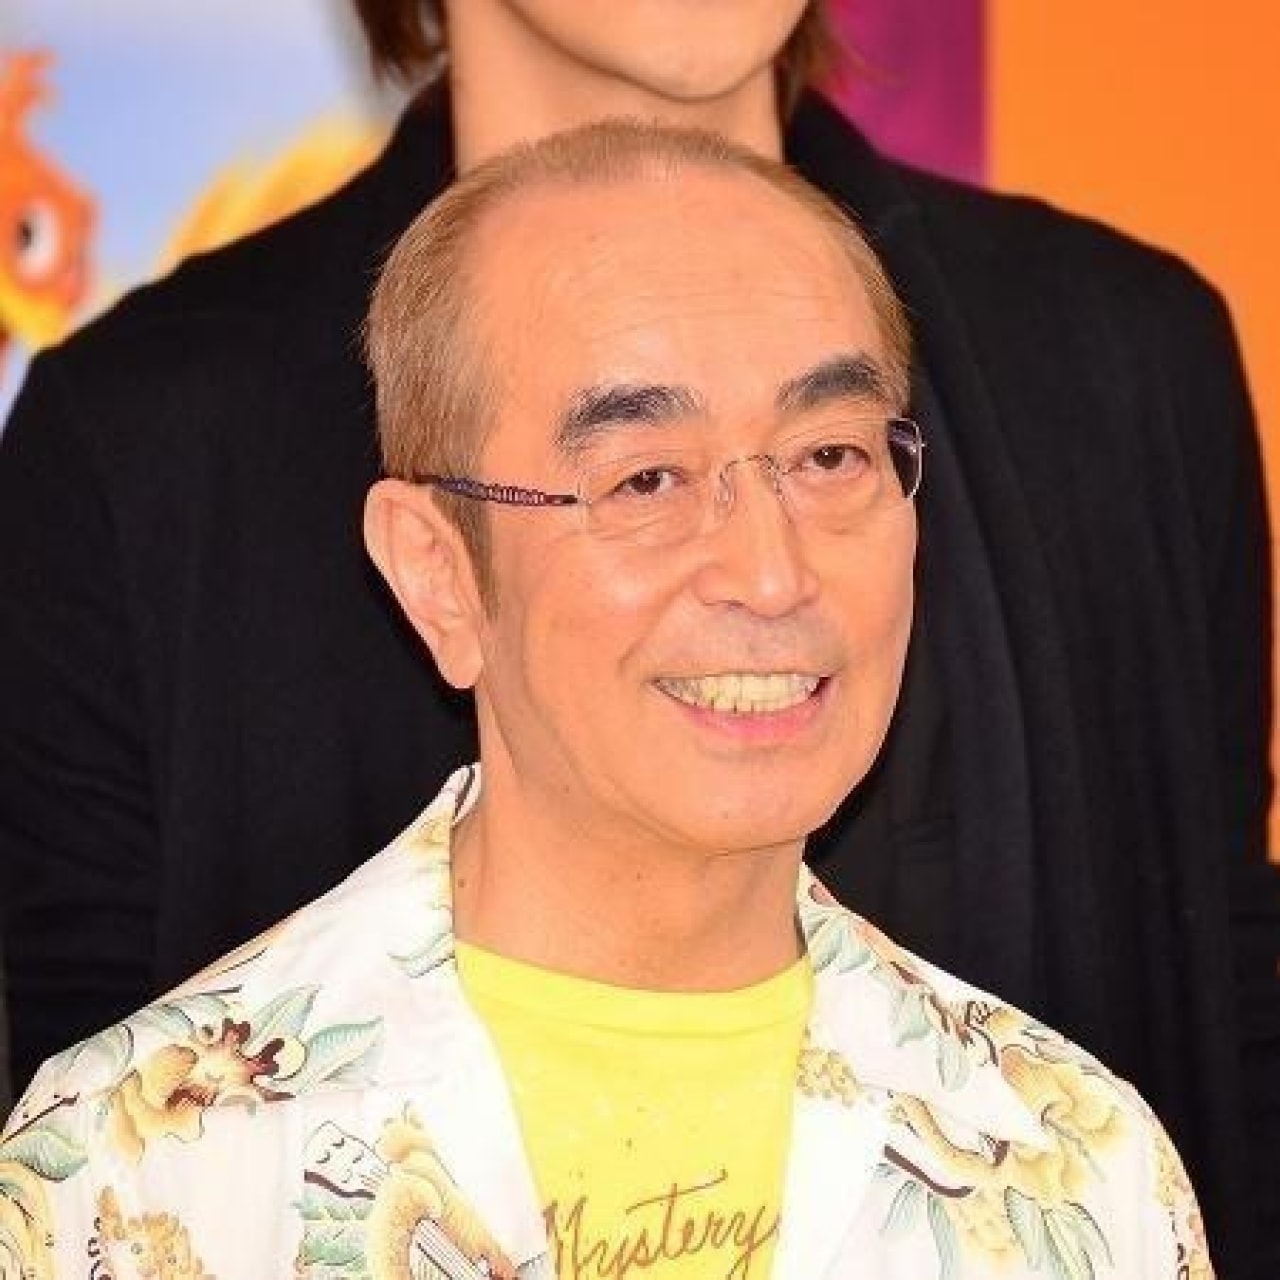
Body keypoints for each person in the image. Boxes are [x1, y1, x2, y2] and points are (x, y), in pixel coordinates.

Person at [0, 1, 1272, 1272]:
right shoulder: (141, 436)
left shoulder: (1123, 359)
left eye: (831, 456)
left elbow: (1220, 1002)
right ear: (429, 564)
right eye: (643, 477)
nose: (765, 572)